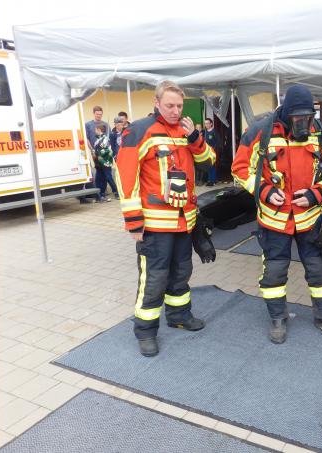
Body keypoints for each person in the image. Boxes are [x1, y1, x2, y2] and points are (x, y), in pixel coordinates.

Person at [231, 84, 322, 344]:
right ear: (286, 112)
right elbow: (239, 168)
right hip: (273, 220)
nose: (303, 123)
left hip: (311, 219)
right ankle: (278, 319)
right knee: (274, 272)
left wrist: (317, 194)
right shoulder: (260, 132)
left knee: (320, 271)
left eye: (307, 117)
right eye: (297, 118)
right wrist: (265, 191)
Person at [114, 80, 217, 357]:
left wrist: (195, 137)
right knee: (154, 279)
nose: (175, 110)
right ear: (157, 103)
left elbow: (209, 161)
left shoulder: (186, 131)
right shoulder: (140, 130)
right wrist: (134, 221)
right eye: (169, 105)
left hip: (184, 222)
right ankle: (146, 332)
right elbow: (125, 176)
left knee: (182, 272)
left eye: (179, 106)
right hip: (155, 224)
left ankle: (179, 316)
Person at [78, 106, 109, 204]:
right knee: (99, 171)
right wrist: (92, 150)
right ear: (94, 113)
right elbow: (86, 138)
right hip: (94, 152)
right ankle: (98, 192)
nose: (99, 116)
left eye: (100, 114)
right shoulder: (88, 125)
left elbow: (107, 138)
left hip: (104, 152)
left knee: (104, 172)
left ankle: (102, 192)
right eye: (97, 114)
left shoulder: (106, 124)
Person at [93, 124, 119, 201]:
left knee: (108, 177)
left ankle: (116, 192)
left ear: (98, 130)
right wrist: (94, 152)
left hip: (105, 161)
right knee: (99, 178)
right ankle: (100, 193)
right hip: (98, 162)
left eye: (95, 130)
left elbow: (108, 150)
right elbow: (97, 148)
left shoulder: (105, 139)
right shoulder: (98, 139)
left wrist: (99, 154)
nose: (95, 131)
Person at [202, 118, 219, 186]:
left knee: (213, 166)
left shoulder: (214, 132)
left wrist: (214, 149)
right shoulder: (205, 132)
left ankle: (213, 181)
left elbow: (218, 142)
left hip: (213, 151)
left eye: (208, 123)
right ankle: (209, 180)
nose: (206, 125)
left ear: (211, 123)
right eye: (205, 123)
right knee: (208, 166)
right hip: (206, 152)